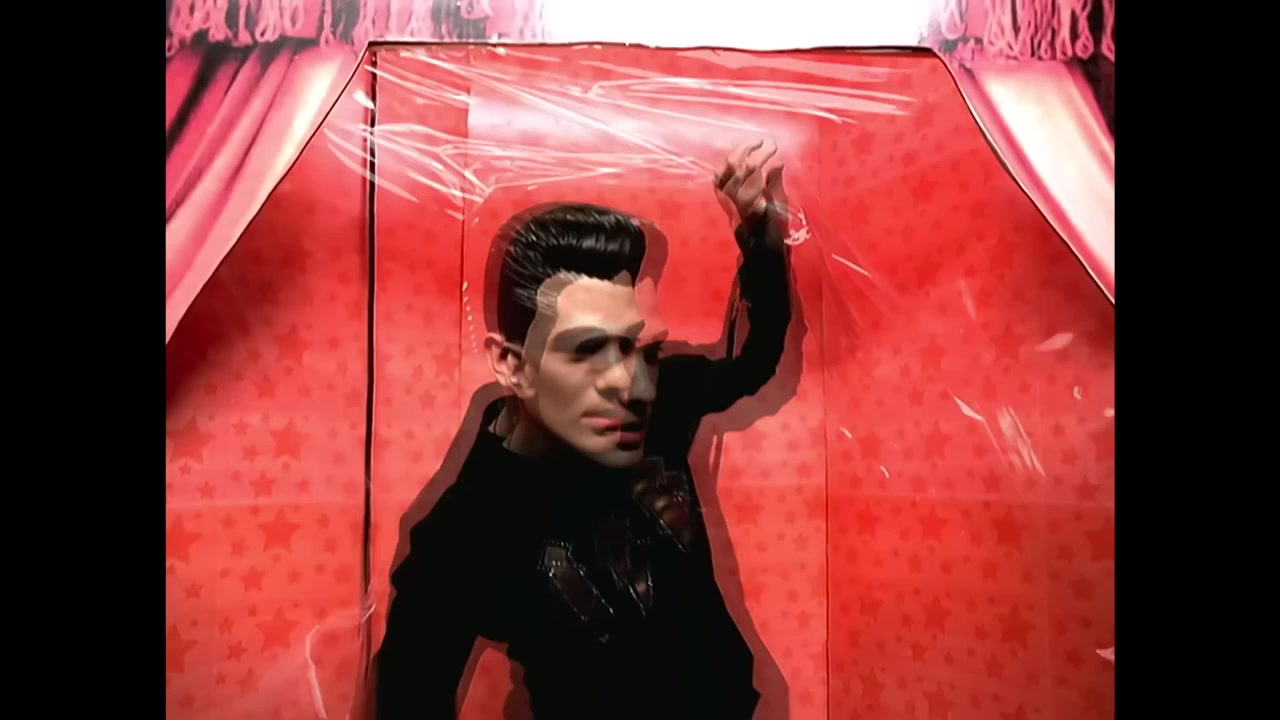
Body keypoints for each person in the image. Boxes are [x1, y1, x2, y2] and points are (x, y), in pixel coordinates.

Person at [374, 140, 792, 719]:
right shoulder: (469, 530)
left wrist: (759, 230)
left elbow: (755, 360)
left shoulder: (657, 400)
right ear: (512, 364)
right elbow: (409, 698)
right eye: (589, 350)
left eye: (642, 349)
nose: (631, 383)